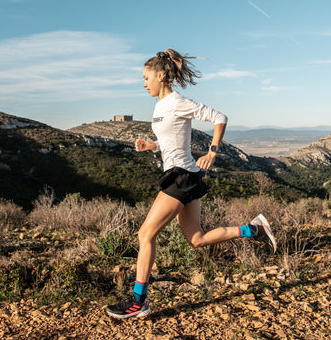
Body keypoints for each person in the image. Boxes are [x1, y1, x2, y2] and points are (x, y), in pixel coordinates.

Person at [106, 49, 276, 320]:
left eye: (146, 77)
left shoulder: (177, 101)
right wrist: (151, 145)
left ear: (161, 75)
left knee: (145, 234)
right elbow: (173, 139)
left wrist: (212, 151)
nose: (143, 83)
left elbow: (219, 117)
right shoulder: (160, 106)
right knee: (196, 239)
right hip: (185, 175)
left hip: (181, 177)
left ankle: (139, 302)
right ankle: (254, 229)